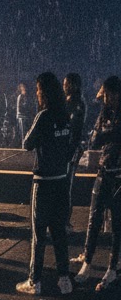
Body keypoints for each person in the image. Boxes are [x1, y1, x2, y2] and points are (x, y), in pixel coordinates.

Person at [16, 72, 76, 296]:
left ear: (44, 92)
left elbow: (27, 144)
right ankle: (64, 280)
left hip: (43, 183)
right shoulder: (65, 116)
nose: (36, 93)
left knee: (38, 235)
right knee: (59, 232)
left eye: (38, 89)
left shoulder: (43, 116)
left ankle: (35, 281)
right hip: (61, 181)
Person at [74, 76, 121, 291]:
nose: (106, 99)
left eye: (109, 95)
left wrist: (106, 135)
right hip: (103, 172)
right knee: (93, 220)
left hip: (119, 176)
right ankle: (87, 263)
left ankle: (112, 269)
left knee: (117, 225)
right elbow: (94, 140)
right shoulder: (105, 112)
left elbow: (110, 135)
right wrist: (107, 135)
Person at [63, 72, 87, 227]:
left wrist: (70, 153)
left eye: (66, 84)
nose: (63, 86)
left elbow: (75, 130)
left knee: (66, 186)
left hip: (71, 150)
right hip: (69, 149)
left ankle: (65, 222)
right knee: (64, 186)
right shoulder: (72, 101)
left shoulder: (77, 103)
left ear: (72, 85)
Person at [15, 82, 33, 148]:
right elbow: (19, 109)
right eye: (23, 88)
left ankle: (26, 145)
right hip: (21, 117)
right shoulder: (20, 97)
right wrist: (26, 108)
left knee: (27, 132)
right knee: (23, 132)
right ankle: (23, 146)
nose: (24, 89)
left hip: (27, 117)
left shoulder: (27, 97)